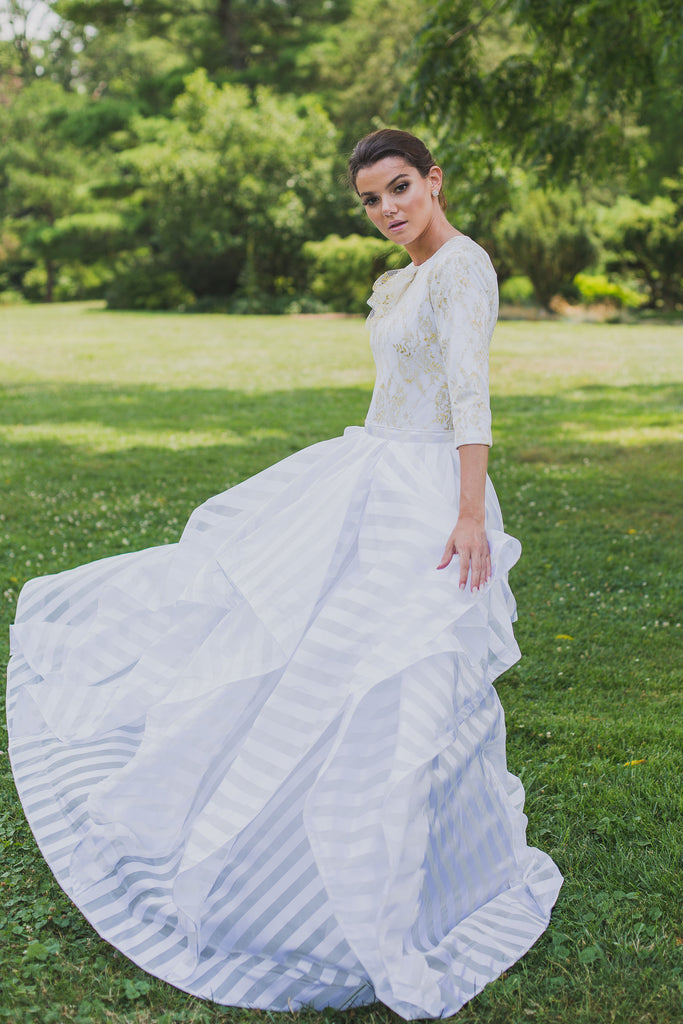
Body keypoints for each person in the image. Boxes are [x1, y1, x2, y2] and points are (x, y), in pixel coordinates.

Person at [7, 128, 562, 1020]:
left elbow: (469, 390)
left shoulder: (463, 266)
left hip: (427, 493)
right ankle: (284, 849)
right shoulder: (399, 280)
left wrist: (466, 513)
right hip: (370, 477)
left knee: (407, 679)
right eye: (370, 198)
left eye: (400, 188)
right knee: (307, 659)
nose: (387, 209)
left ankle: (399, 873)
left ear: (434, 180)